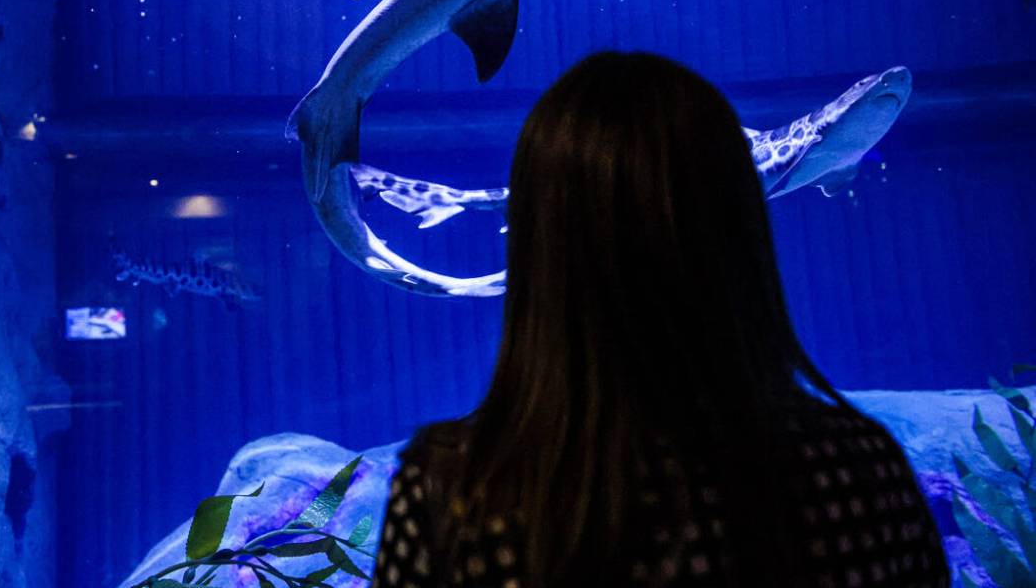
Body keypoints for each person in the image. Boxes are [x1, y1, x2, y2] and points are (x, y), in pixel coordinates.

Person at [370, 52, 948, 588]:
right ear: (743, 234)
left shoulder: (453, 485)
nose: (891, 90)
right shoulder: (860, 468)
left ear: (539, 253)